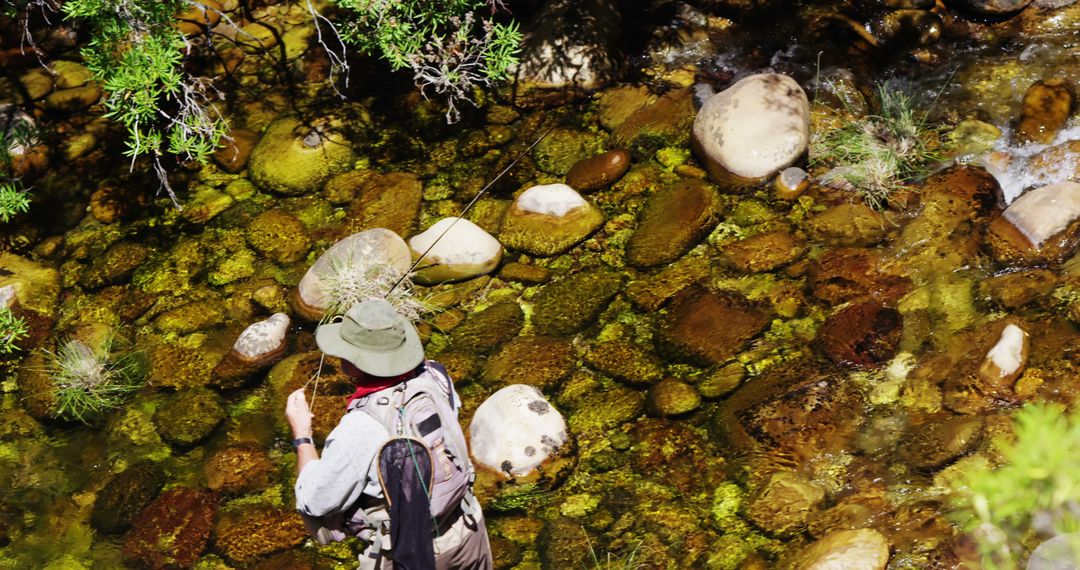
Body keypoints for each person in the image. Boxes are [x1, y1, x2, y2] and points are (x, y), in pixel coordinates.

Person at [285, 298, 493, 569]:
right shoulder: (435, 375)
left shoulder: (361, 426)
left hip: (414, 554)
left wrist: (302, 435)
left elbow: (316, 501)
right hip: (469, 528)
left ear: (356, 361)